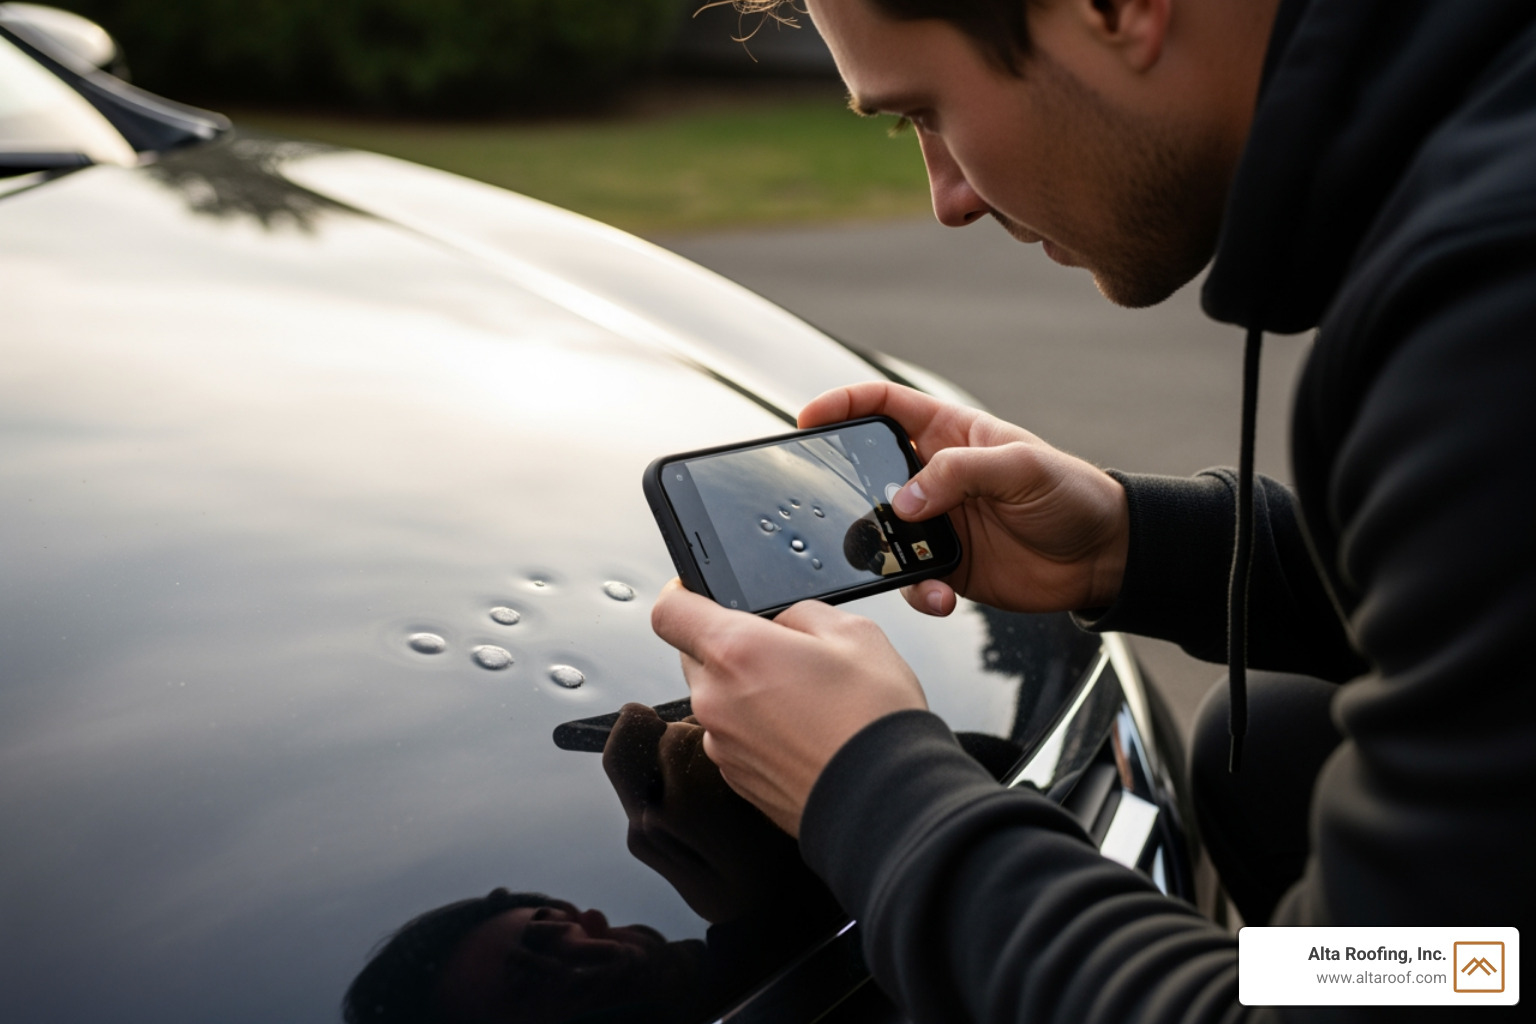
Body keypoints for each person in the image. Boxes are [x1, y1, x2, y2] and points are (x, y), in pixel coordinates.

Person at [651, 0, 1535, 1021]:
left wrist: (868, 790)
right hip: (1488, 963)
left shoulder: (1490, 319)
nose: (947, 198)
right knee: (1281, 750)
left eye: (924, 111)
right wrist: (1134, 545)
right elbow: (1475, 962)